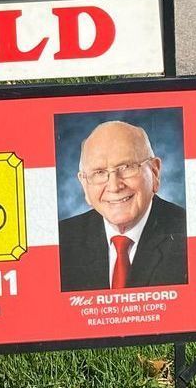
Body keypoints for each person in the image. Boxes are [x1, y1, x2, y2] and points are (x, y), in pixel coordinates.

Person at [58, 120, 187, 291]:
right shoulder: (62, 240)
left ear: (154, 172)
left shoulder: (190, 233)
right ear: (84, 184)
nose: (114, 186)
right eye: (99, 172)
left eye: (126, 167)